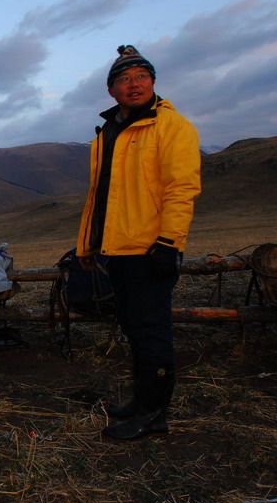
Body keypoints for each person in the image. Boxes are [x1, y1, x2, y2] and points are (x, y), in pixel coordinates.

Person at [76, 45, 201, 440]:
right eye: (124, 80)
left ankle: (153, 414)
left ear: (153, 82)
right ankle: (141, 402)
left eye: (141, 77)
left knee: (152, 333)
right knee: (133, 327)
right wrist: (87, 245)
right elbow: (100, 196)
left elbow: (181, 188)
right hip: (117, 250)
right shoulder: (107, 133)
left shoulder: (171, 126)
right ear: (111, 90)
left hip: (150, 249)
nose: (134, 85)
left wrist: (169, 243)